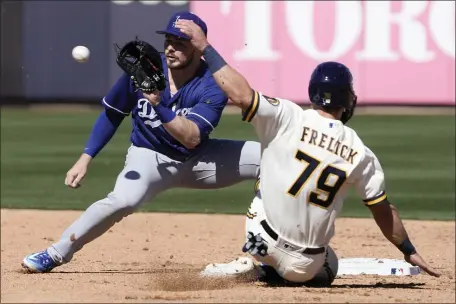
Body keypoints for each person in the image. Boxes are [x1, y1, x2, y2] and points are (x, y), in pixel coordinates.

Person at [175, 19, 441, 285]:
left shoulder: (287, 116)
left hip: (262, 237)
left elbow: (242, 95)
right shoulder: (361, 152)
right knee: (330, 267)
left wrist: (204, 46)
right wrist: (409, 250)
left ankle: (257, 264)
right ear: (348, 100)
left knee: (268, 165)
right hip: (305, 266)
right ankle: (274, 273)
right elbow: (383, 210)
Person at [21, 11, 261, 273]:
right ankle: (55, 253)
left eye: (180, 42)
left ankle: (266, 247)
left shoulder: (212, 84)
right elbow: (113, 113)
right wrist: (86, 157)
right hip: (149, 156)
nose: (171, 47)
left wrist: (159, 107)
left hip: (200, 160)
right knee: (122, 201)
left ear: (196, 47)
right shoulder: (144, 68)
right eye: (169, 40)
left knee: (271, 158)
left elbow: (192, 138)